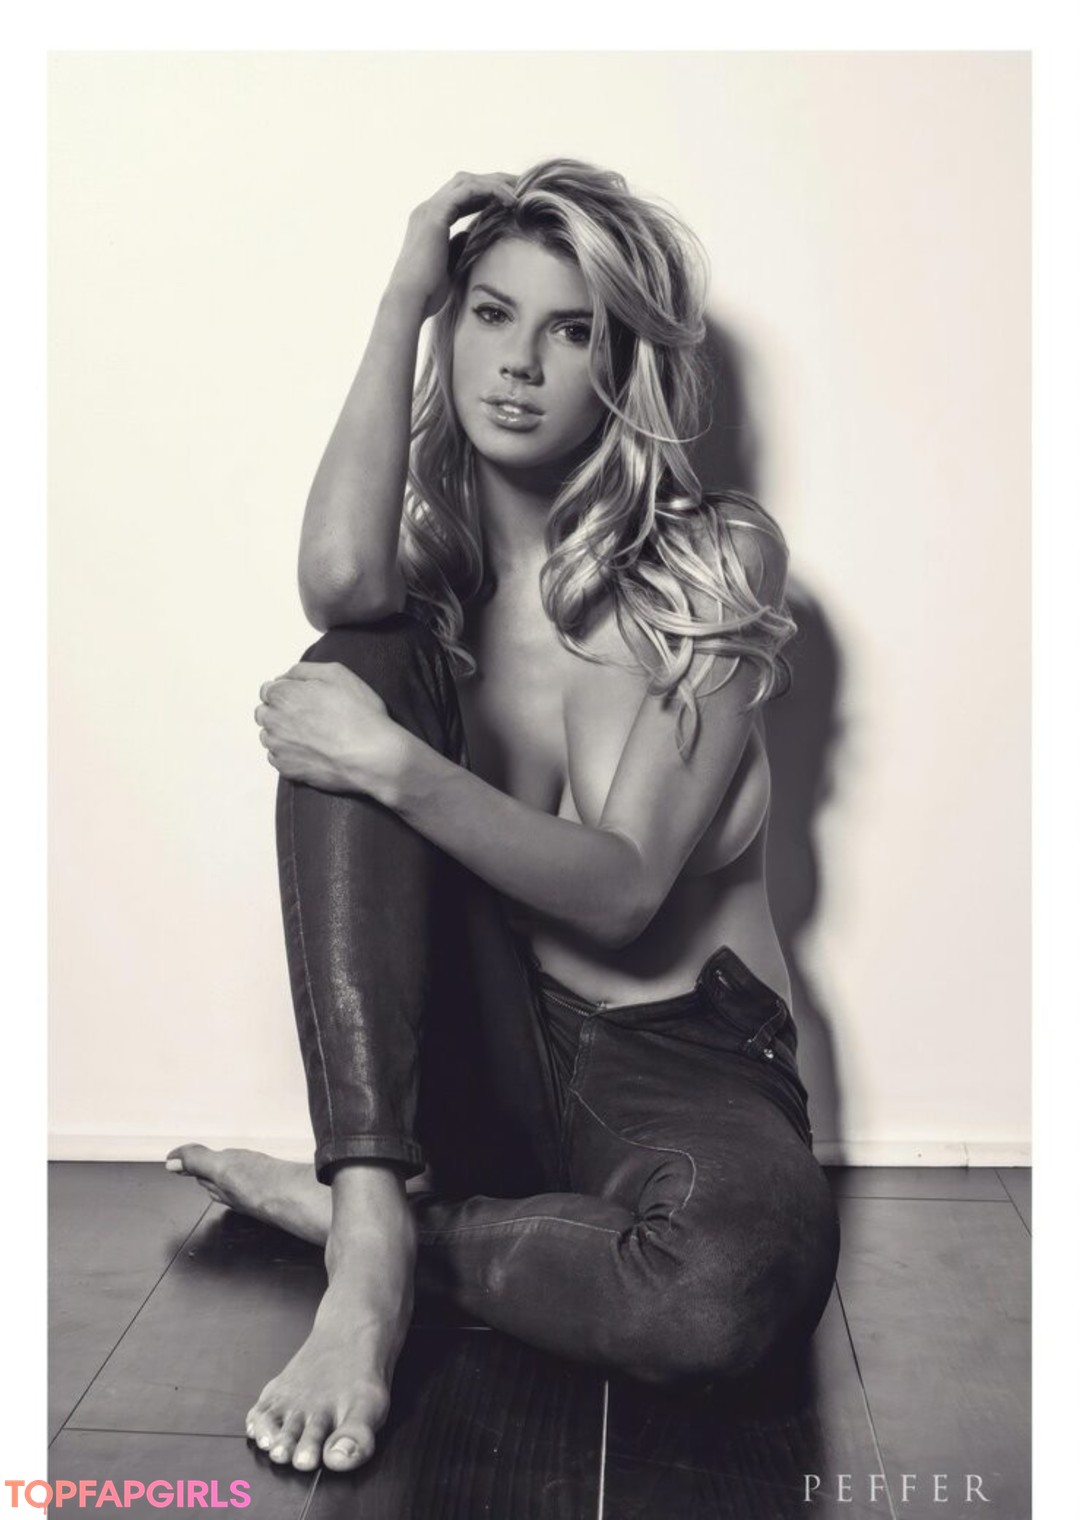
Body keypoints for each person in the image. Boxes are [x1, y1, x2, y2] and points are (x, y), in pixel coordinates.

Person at [168, 160, 841, 1475]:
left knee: (721, 1297)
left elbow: (626, 888)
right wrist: (401, 295)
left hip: (688, 1060)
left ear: (623, 362)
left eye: (570, 329)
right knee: (352, 664)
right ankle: (372, 1238)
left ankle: (379, 1229)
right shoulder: (435, 586)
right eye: (489, 314)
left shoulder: (711, 563)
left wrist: (397, 768)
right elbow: (337, 581)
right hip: (490, 1049)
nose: (520, 363)